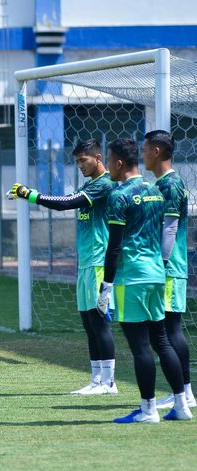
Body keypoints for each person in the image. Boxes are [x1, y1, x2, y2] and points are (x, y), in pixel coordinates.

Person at [7, 139, 118, 395]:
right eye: (77, 161)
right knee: (89, 323)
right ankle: (96, 380)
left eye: (83, 160)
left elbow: (64, 204)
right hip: (85, 265)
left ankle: (109, 382)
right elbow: (68, 200)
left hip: (98, 264)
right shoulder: (89, 184)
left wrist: (30, 194)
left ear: (98, 158)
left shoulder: (104, 185)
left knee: (99, 323)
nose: (80, 165)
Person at [96, 138, 191, 423]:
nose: (108, 167)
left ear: (119, 163)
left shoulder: (119, 195)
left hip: (132, 278)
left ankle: (148, 410)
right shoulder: (155, 191)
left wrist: (107, 286)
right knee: (161, 341)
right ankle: (182, 404)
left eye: (110, 161)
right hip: (156, 275)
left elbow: (114, 247)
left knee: (140, 347)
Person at [142, 130, 196, 410]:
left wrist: (160, 264)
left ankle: (185, 391)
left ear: (157, 152)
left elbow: (171, 228)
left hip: (169, 268)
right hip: (165, 267)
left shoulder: (171, 185)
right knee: (164, 330)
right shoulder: (162, 184)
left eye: (145, 149)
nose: (142, 155)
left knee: (170, 329)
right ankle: (182, 390)